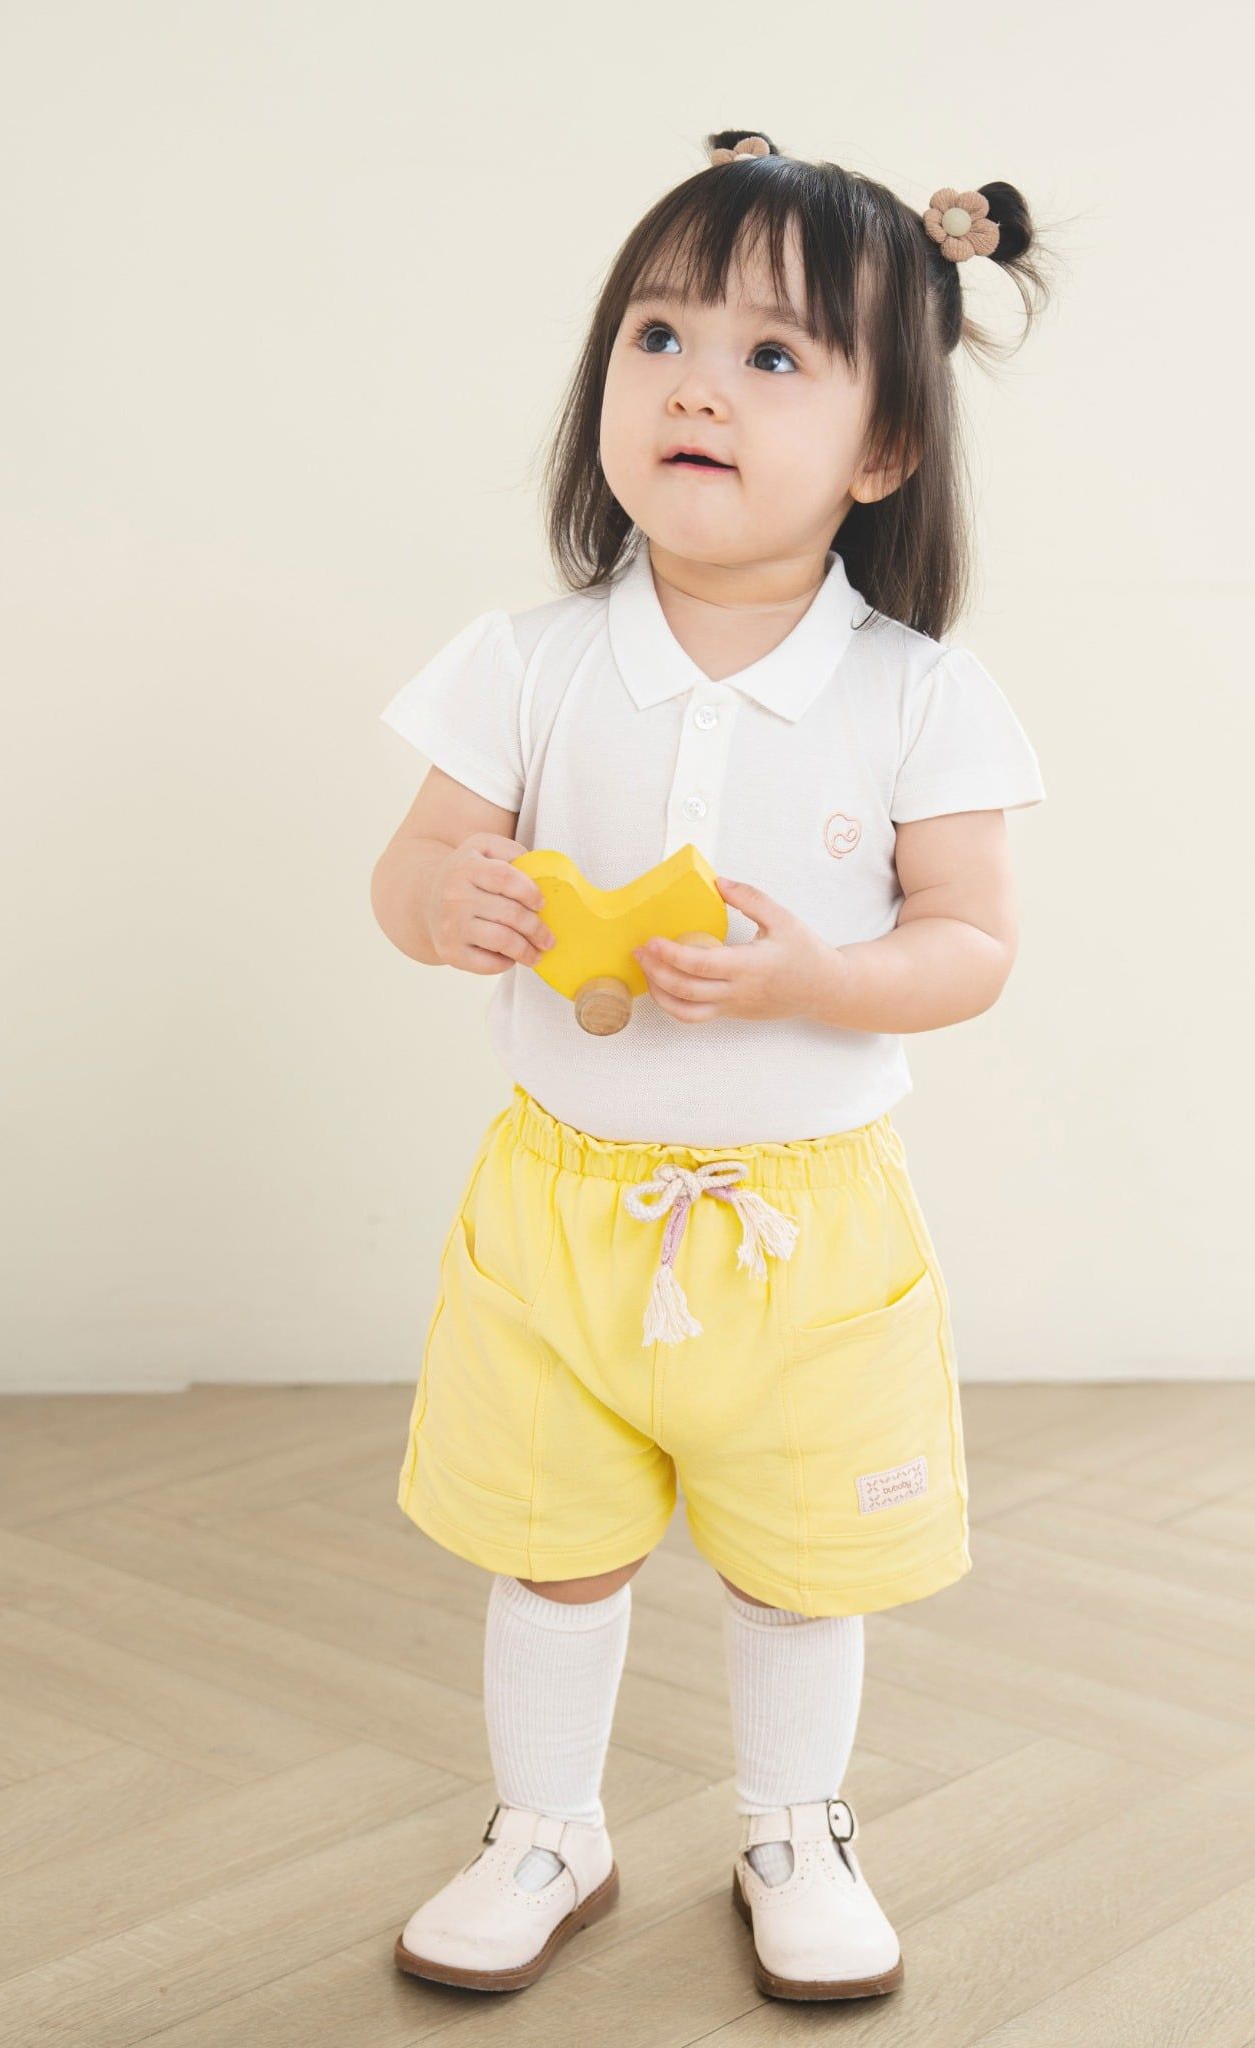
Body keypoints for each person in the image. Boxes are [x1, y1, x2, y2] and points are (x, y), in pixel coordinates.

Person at [369, 126, 1055, 2001]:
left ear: (883, 447)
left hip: (805, 1230)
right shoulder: (524, 666)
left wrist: (823, 974)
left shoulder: (917, 693)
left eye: (771, 356)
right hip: (559, 1211)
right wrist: (452, 904)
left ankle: (793, 1827)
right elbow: (409, 871)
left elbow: (972, 944)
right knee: (553, 1551)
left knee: (798, 1564)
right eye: (658, 335)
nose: (694, 384)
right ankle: (547, 1828)